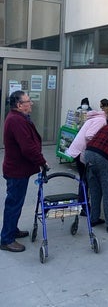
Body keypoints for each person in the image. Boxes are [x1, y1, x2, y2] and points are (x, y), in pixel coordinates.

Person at [0, 90, 48, 253]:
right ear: (20, 105)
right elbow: (28, 148)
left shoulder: (17, 118)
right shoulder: (16, 121)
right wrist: (42, 162)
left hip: (17, 169)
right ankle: (6, 239)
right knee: (14, 203)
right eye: (28, 101)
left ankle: (11, 230)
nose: (31, 103)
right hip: (16, 170)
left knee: (15, 203)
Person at [68, 105, 108, 216]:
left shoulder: (99, 118)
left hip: (79, 150)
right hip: (81, 152)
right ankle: (83, 206)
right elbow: (89, 135)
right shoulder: (101, 120)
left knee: (85, 180)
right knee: (85, 180)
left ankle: (83, 205)